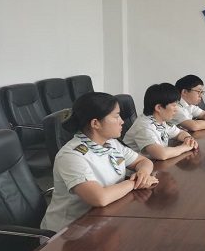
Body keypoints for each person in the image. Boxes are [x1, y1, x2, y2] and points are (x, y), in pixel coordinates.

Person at [41, 92, 158, 232]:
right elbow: (99, 198)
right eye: (116, 116)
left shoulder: (111, 143)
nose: (122, 121)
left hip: (104, 218)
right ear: (95, 123)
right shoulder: (71, 156)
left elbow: (143, 161)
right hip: (70, 232)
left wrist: (143, 174)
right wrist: (134, 183)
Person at [124, 83, 198, 160]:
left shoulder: (161, 121)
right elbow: (161, 154)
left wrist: (188, 139)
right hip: (137, 167)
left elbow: (179, 133)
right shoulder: (144, 127)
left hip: (154, 163)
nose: (176, 110)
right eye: (174, 105)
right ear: (159, 108)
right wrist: (185, 147)